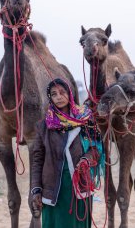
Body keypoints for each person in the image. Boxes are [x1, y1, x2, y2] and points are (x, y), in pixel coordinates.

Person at [30, 78, 105, 228]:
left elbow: (96, 148)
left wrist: (86, 160)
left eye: (62, 92)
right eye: (54, 94)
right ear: (50, 98)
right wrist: (36, 189)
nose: (58, 97)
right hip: (53, 187)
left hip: (80, 182)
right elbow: (37, 159)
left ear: (69, 93)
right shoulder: (43, 126)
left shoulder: (85, 119)